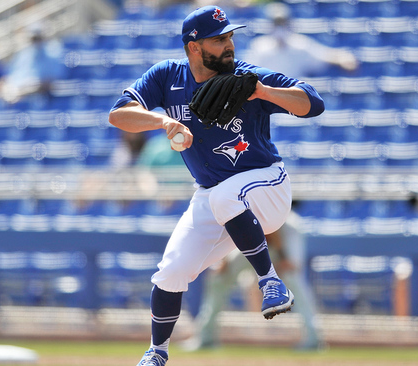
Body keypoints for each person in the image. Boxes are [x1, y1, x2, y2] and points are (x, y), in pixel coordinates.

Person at [108, 5, 325, 366]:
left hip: (267, 185)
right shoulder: (167, 76)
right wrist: (162, 122)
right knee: (171, 270)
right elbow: (119, 115)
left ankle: (270, 281)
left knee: (227, 195)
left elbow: (313, 104)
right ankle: (157, 352)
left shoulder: (246, 76)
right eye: (219, 39)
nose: (229, 45)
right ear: (194, 46)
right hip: (214, 196)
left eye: (230, 37)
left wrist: (264, 93)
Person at [182, 209, 325, 351]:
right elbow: (231, 227)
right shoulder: (230, 200)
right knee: (219, 278)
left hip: (284, 231)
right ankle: (206, 337)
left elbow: (269, 227)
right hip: (255, 241)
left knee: (292, 277)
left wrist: (284, 257)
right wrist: (224, 259)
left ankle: (314, 339)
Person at [243, 2, 357, 78]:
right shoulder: (259, 46)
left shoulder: (300, 45)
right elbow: (248, 72)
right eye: (276, 23)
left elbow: (325, 55)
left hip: (291, 100)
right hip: (267, 101)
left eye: (283, 23)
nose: (280, 28)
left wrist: (343, 57)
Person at [0, 23, 65, 104]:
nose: (36, 41)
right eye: (33, 38)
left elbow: (53, 80)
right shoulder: (23, 55)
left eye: (38, 38)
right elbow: (10, 75)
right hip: (17, 90)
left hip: (38, 94)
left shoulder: (53, 53)